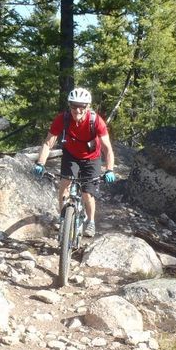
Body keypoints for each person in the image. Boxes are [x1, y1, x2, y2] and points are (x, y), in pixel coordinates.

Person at [32, 87, 115, 237]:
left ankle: (90, 222)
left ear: (87, 107)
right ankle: (63, 217)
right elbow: (48, 143)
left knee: (87, 194)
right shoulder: (62, 119)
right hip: (71, 156)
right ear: (69, 106)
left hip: (92, 158)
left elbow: (107, 148)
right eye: (74, 106)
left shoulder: (96, 121)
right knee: (65, 184)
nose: (77, 110)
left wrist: (109, 169)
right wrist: (40, 163)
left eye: (81, 106)